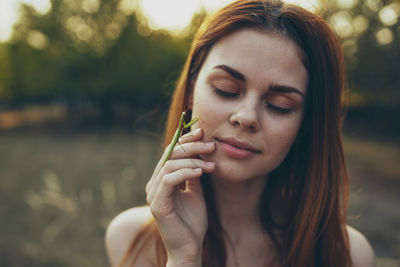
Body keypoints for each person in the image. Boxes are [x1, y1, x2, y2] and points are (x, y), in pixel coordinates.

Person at [105, 0, 376, 266]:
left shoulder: (350, 256)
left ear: (306, 124)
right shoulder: (132, 239)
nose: (246, 117)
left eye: (279, 106)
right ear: (190, 92)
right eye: (226, 89)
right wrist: (184, 257)